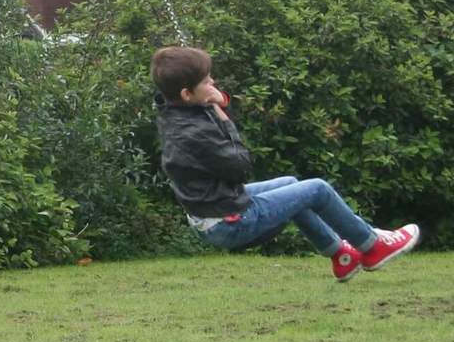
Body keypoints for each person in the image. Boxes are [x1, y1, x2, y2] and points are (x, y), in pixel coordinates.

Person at [152, 46, 420, 281]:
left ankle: (342, 256)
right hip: (229, 222)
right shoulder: (193, 134)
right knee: (317, 189)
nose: (214, 85)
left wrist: (209, 95)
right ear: (187, 94)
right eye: (208, 83)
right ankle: (372, 248)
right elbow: (241, 166)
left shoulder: (174, 111)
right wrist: (225, 120)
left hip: (212, 211)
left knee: (291, 186)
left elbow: (193, 104)